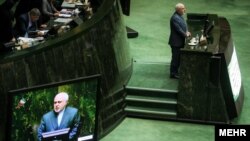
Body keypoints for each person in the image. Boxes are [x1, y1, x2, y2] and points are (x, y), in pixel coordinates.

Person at [168, 3, 191, 79]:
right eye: (183, 8)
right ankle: (173, 74)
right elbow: (178, 29)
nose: (184, 9)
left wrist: (187, 31)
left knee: (178, 58)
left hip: (179, 42)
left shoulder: (180, 16)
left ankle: (176, 71)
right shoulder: (174, 18)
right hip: (175, 43)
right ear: (178, 10)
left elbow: (184, 25)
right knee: (175, 58)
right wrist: (185, 35)